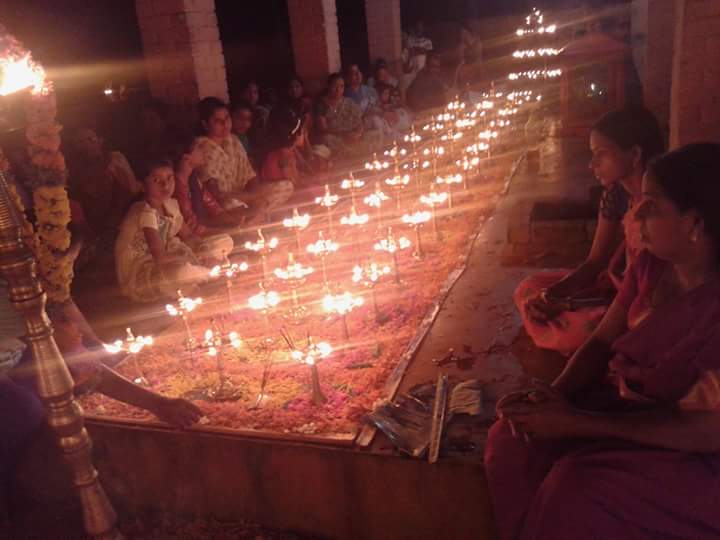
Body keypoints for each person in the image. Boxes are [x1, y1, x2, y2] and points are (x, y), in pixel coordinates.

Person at [486, 143, 720, 540]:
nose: (636, 215)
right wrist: (553, 397)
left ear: (695, 224)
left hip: (695, 448)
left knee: (577, 487)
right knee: (510, 440)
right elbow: (600, 342)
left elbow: (705, 427)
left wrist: (577, 423)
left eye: (651, 206)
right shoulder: (651, 265)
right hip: (624, 407)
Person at [515, 108, 664, 356]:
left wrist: (565, 303)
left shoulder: (659, 208)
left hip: (640, 301)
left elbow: (646, 293)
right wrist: (551, 294)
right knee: (529, 288)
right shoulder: (616, 194)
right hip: (615, 285)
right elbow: (596, 261)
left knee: (590, 329)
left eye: (600, 155)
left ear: (635, 154)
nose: (591, 164)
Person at [115, 155, 233, 303]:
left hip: (170, 254)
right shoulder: (144, 212)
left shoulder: (170, 205)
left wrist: (205, 251)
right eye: (157, 180)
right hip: (144, 268)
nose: (166, 185)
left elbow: (188, 236)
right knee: (179, 272)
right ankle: (204, 276)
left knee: (224, 240)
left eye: (170, 178)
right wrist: (193, 260)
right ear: (142, 186)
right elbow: (161, 258)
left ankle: (201, 275)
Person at [194, 97, 293, 219]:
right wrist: (252, 198)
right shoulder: (201, 147)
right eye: (218, 121)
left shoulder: (233, 140)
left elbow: (250, 176)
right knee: (231, 204)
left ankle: (254, 217)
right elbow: (216, 194)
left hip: (245, 195)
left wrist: (256, 198)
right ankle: (255, 217)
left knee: (286, 186)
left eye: (227, 118)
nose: (225, 124)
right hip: (226, 201)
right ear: (205, 124)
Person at [67, 128, 142, 241]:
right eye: (80, 142)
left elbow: (130, 189)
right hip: (93, 224)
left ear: (100, 141)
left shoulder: (114, 159)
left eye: (90, 139)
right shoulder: (75, 171)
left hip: (121, 218)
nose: (87, 145)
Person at [172, 133, 248, 236]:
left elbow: (214, 207)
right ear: (186, 158)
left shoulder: (193, 179)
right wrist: (232, 231)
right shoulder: (176, 187)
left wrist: (234, 223)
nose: (203, 151)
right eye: (198, 148)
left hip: (207, 229)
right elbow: (194, 227)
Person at [312, 73, 364, 158]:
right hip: (334, 137)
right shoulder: (321, 104)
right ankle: (348, 154)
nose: (338, 90)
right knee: (326, 139)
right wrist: (345, 134)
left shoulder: (348, 102)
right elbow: (323, 128)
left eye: (341, 86)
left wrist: (358, 134)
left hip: (352, 135)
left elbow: (360, 122)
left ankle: (352, 152)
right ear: (328, 86)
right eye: (334, 86)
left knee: (372, 133)